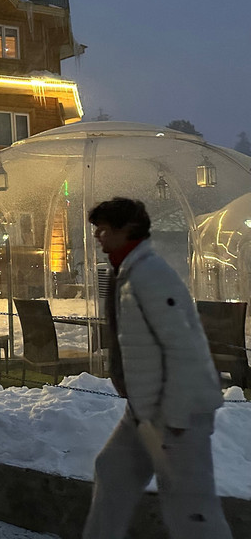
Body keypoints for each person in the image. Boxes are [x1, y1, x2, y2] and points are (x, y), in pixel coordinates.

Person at [82, 198, 231, 538]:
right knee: (112, 471)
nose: (98, 238)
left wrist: (176, 417)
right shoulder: (128, 272)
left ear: (128, 230)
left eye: (104, 230)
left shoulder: (151, 276)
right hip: (145, 408)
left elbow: (185, 349)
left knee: (191, 508)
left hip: (176, 412)